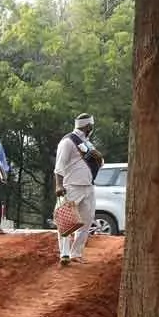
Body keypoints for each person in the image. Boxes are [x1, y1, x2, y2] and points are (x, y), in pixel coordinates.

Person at [55, 113, 104, 265]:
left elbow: (99, 163)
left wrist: (99, 157)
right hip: (72, 186)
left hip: (89, 186)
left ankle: (76, 253)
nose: (92, 129)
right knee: (66, 220)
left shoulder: (88, 143)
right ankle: (64, 254)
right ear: (88, 126)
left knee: (87, 221)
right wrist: (58, 184)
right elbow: (59, 166)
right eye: (92, 126)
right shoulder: (68, 141)